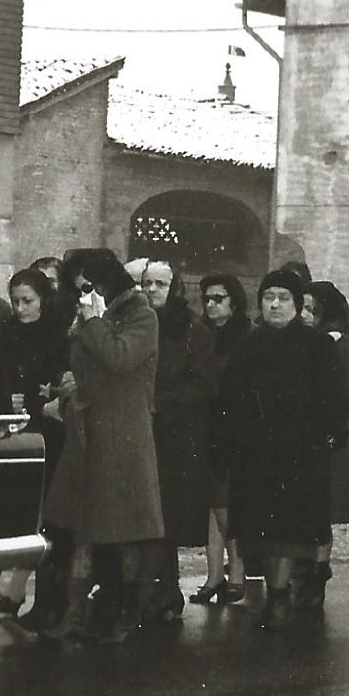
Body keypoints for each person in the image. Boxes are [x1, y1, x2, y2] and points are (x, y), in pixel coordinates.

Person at [213, 270, 349, 630]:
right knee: (263, 533)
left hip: (300, 458)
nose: (274, 304)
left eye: (283, 297)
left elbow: (336, 401)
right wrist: (226, 445)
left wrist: (327, 438)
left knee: (288, 534)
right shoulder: (249, 345)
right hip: (256, 459)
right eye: (268, 296)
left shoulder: (318, 346)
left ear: (297, 303)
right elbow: (228, 400)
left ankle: (278, 598)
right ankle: (278, 592)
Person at [40, 248, 164, 643]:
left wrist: (92, 322)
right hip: (87, 432)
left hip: (122, 437)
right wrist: (68, 388)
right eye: (77, 289)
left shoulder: (142, 316)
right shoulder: (94, 315)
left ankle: (126, 614)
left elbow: (120, 357)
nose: (83, 295)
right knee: (81, 529)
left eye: (88, 286)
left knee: (122, 528)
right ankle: (74, 616)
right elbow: (88, 365)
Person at [0, 268, 71, 626]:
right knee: (21, 512)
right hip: (15, 428)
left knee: (48, 516)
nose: (20, 309)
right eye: (15, 301)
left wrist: (39, 401)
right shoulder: (6, 334)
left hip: (49, 435)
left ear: (44, 300)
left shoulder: (58, 337)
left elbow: (57, 390)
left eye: (28, 301)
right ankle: (13, 588)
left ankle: (41, 597)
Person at [138, 260, 215, 622]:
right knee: (147, 515)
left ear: (175, 287)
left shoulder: (192, 331)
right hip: (142, 433)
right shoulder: (139, 326)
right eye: (147, 283)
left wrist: (160, 403)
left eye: (160, 284)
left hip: (176, 436)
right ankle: (157, 589)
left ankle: (164, 590)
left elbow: (201, 384)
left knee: (166, 516)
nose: (152, 290)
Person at [299, 281, 349, 608]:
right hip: (304, 441)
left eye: (312, 309)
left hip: (332, 444)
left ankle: (317, 569)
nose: (305, 315)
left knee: (321, 511)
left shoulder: (348, 347)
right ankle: (304, 568)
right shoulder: (303, 342)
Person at [194, 273, 251, 603]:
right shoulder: (201, 334)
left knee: (226, 506)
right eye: (207, 299)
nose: (211, 304)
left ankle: (237, 573)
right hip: (204, 427)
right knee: (210, 509)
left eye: (218, 298)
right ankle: (214, 575)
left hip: (233, 432)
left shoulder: (246, 335)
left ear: (234, 301)